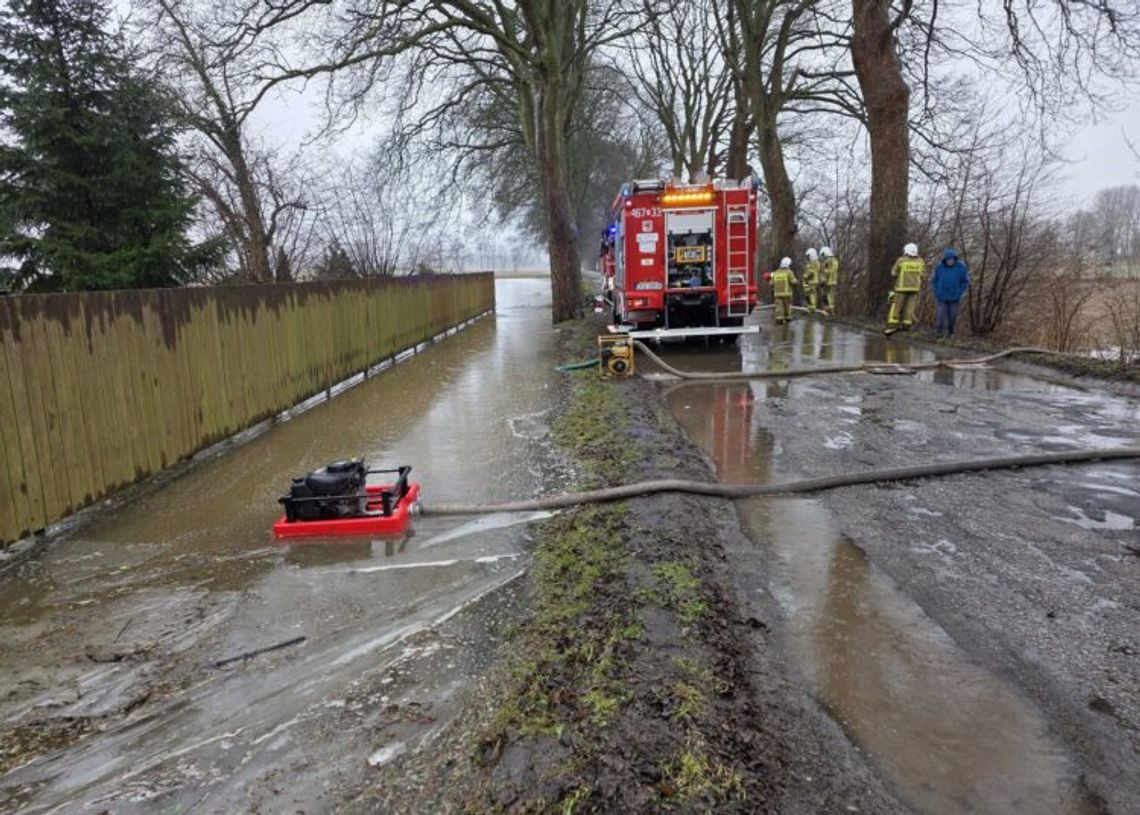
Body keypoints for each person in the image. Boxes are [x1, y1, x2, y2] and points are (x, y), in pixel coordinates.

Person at [884, 243, 925, 335]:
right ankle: (906, 325)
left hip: (901, 288)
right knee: (910, 308)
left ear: (906, 250)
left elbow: (893, 273)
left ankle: (892, 326)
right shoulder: (921, 261)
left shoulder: (901, 260)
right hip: (915, 289)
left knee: (896, 307)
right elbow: (923, 275)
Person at [931, 248, 969, 336]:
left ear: (955, 259)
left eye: (951, 259)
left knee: (953, 317)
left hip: (955, 297)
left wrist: (961, 293)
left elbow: (965, 281)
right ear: (945, 259)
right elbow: (934, 280)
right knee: (941, 315)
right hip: (942, 297)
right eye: (948, 259)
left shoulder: (961, 267)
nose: (950, 261)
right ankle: (939, 332)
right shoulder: (939, 267)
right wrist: (936, 291)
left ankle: (951, 332)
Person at [765, 257, 797, 324]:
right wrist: (796, 281)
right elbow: (793, 282)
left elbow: (771, 284)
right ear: (788, 265)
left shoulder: (775, 273)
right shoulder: (789, 272)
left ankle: (779, 319)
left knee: (779, 307)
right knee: (787, 306)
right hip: (787, 294)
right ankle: (787, 318)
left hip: (777, 294)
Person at [820, 246, 839, 315]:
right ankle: (832, 311)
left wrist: (822, 281)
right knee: (831, 295)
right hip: (834, 280)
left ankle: (827, 310)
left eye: (823, 255)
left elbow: (825, 272)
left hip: (828, 281)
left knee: (826, 295)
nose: (823, 257)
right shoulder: (835, 260)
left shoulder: (827, 261)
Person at [802, 248, 820, 312]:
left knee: (811, 294)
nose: (808, 257)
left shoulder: (815, 262)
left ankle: (812, 307)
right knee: (807, 293)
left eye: (808, 255)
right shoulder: (810, 262)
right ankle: (809, 307)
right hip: (807, 281)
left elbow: (812, 271)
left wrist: (806, 275)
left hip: (812, 281)